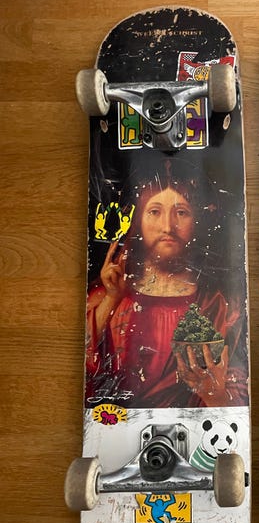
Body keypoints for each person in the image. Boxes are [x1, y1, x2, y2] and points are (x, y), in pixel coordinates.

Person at [85, 162, 248, 409]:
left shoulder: (219, 303)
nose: (168, 227)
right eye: (154, 211)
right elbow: (86, 368)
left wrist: (213, 393)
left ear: (197, 220)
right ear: (138, 220)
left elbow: (237, 385)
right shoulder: (110, 293)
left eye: (181, 212)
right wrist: (111, 299)